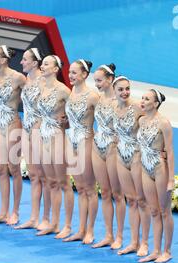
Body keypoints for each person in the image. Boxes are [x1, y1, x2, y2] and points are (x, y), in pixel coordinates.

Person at [0, 45, 26, 226]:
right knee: (1, 169)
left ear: (3, 60)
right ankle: (3, 212)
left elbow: (34, 94)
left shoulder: (18, 77)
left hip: (12, 125)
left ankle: (15, 211)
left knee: (14, 169)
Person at [36, 55, 74, 238]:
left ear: (55, 69)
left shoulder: (64, 91)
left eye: (46, 64)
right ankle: (54, 222)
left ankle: (67, 225)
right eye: (42, 63)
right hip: (44, 138)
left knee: (63, 183)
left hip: (58, 139)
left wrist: (66, 123)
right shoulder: (41, 86)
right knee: (50, 182)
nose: (42, 66)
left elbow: (77, 117)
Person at [112, 76, 151, 256]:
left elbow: (153, 122)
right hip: (120, 156)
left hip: (136, 156)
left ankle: (144, 243)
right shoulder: (112, 107)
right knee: (131, 200)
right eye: (121, 89)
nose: (125, 92)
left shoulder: (137, 106)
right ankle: (133, 242)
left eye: (127, 89)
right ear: (115, 91)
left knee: (142, 201)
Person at [62, 59, 100, 244]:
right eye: (70, 72)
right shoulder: (71, 93)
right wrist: (65, 123)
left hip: (86, 141)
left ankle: (90, 231)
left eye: (74, 73)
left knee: (90, 189)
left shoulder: (92, 96)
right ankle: (81, 229)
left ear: (84, 75)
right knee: (81, 188)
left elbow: (105, 120)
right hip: (72, 141)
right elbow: (72, 120)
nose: (70, 75)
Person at [15, 48, 51, 230]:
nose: (21, 62)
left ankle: (46, 218)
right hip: (27, 131)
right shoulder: (26, 81)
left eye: (25, 59)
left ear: (35, 63)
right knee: (34, 175)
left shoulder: (45, 83)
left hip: (41, 133)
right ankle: (33, 217)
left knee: (44, 177)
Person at [91, 64, 126, 250]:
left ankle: (119, 236)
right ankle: (108, 234)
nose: (96, 84)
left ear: (110, 80)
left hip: (113, 148)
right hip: (98, 147)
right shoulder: (98, 99)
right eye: (95, 80)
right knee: (104, 193)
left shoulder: (120, 101)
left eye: (99, 80)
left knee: (118, 194)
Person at [137, 89, 175, 263]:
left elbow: (170, 151)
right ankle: (156, 250)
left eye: (147, 99)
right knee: (153, 211)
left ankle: (167, 251)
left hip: (160, 169)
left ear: (156, 103)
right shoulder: (142, 120)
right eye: (142, 98)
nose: (143, 101)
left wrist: (171, 179)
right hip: (146, 168)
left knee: (165, 211)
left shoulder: (164, 123)